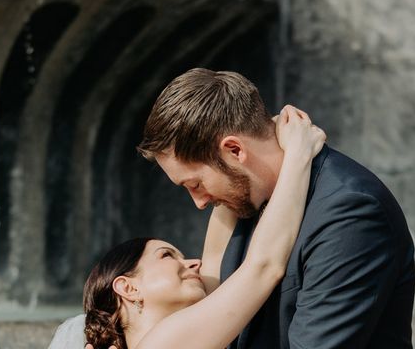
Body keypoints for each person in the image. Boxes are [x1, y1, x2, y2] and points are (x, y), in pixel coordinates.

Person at [137, 68, 415, 348]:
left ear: (235, 150)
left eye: (195, 183)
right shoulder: (240, 201)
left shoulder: (349, 212)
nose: (199, 203)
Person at [77, 105, 325, 348]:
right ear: (128, 287)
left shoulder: (199, 330)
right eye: (166, 255)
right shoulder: (162, 343)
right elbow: (264, 266)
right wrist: (298, 153)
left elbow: (219, 238)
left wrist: (259, 136)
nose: (195, 262)